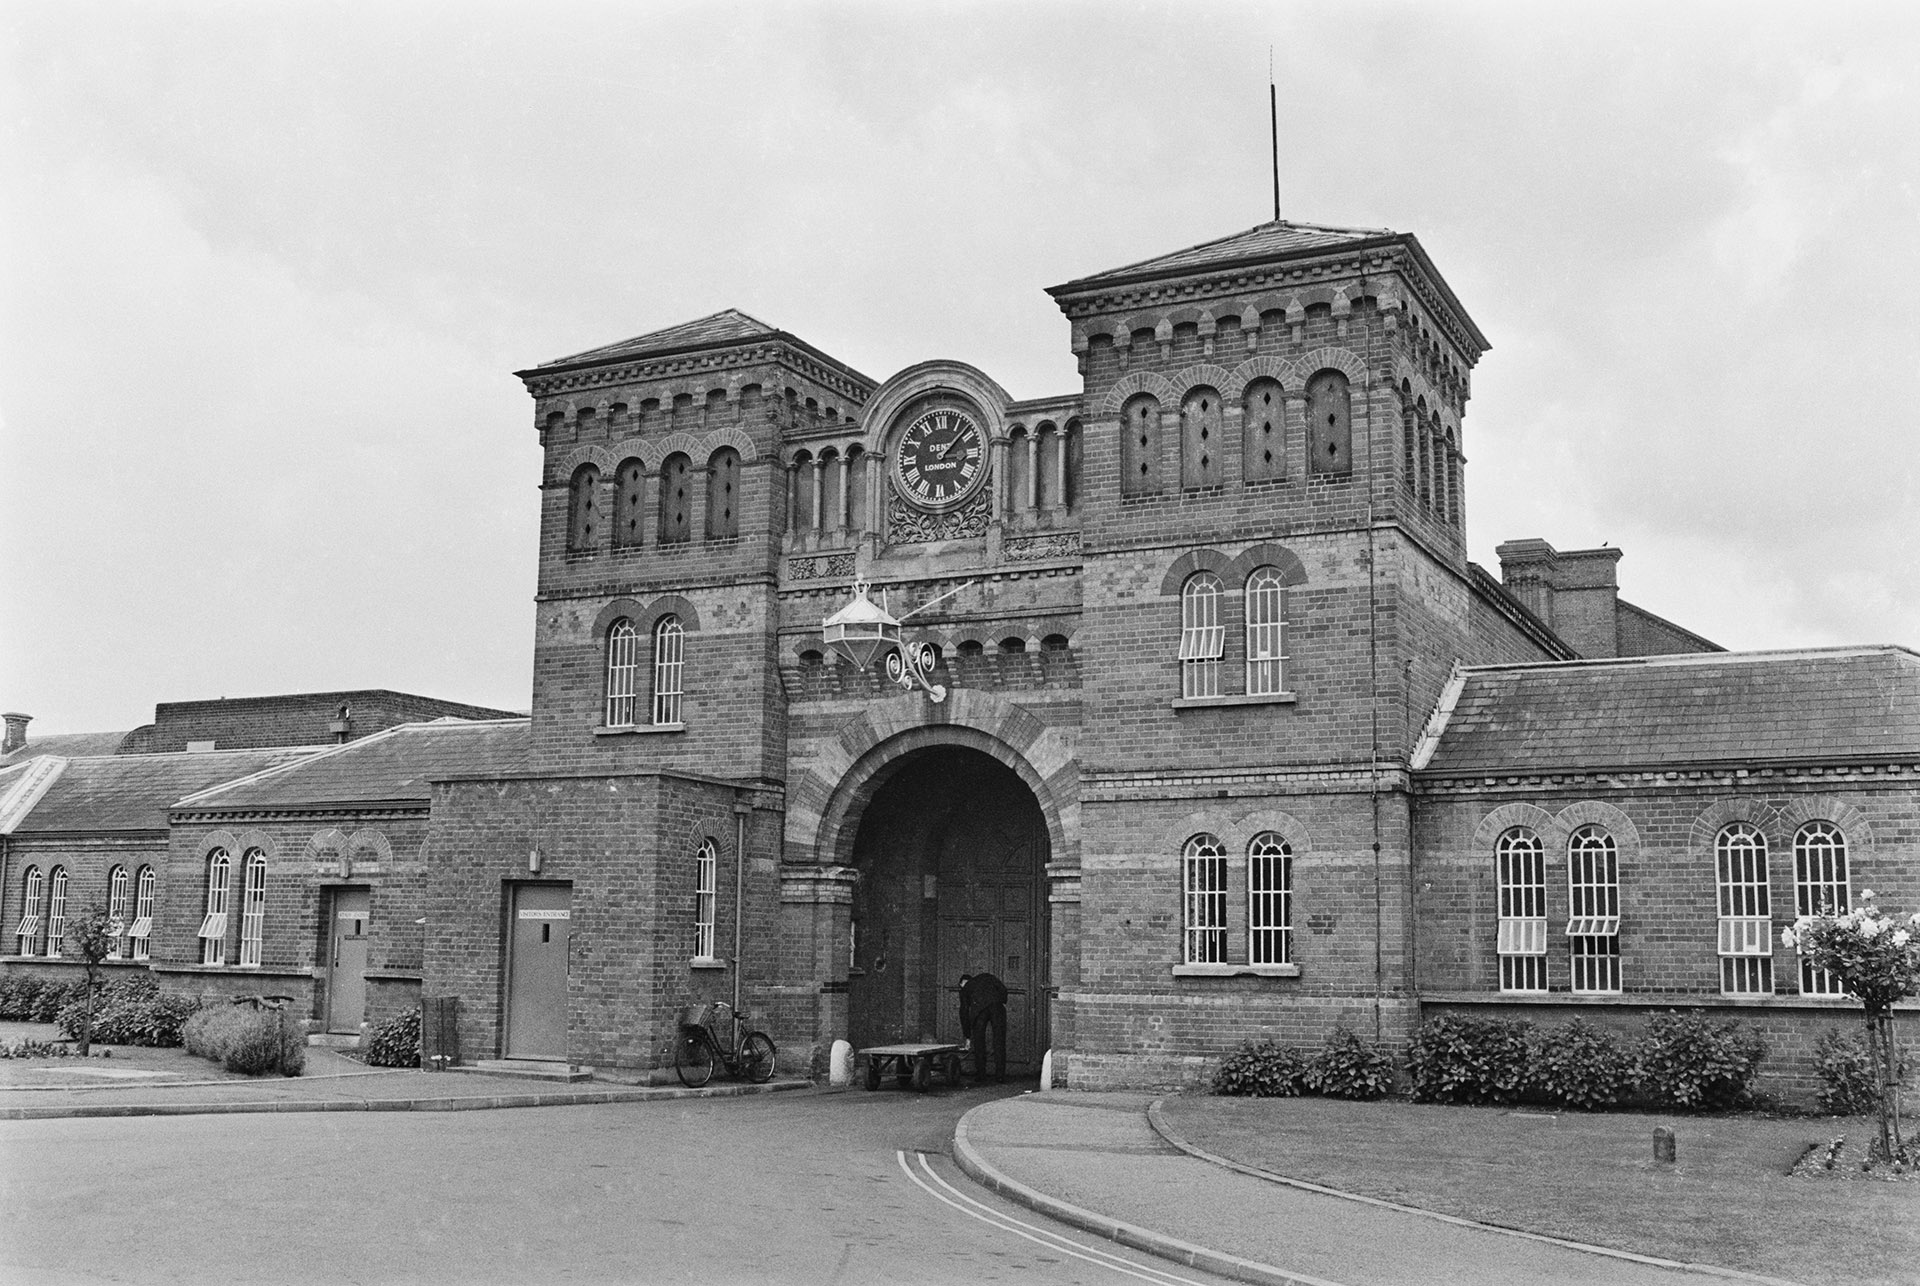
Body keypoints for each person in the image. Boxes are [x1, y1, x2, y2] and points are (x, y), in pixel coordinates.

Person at [957, 970, 1008, 1083]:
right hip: (997, 1006)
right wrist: (1002, 1001)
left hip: (979, 1011)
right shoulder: (987, 976)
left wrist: (968, 1035)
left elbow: (964, 1012)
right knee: (999, 1041)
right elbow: (1003, 989)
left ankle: (981, 1075)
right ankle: (1000, 1076)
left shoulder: (965, 989)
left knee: (979, 1042)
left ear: (962, 984)